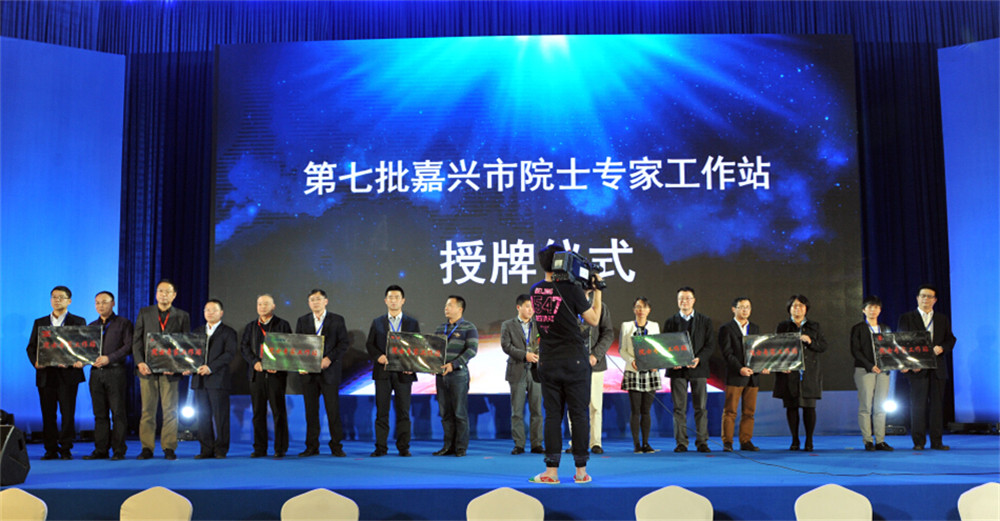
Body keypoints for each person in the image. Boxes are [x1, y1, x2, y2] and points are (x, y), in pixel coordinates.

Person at [529, 245, 602, 484]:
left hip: (548, 361)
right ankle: (581, 472)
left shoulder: (535, 290)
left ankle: (551, 472)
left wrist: (582, 292)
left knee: (552, 416)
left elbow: (558, 309)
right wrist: (597, 291)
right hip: (574, 361)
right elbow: (593, 319)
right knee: (579, 415)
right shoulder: (572, 289)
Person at [26, 285, 87, 460]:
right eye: (54, 297)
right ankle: (50, 449)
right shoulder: (40, 322)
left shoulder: (78, 321)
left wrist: (81, 361)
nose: (57, 300)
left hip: (69, 375)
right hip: (46, 375)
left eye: (61, 297)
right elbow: (31, 347)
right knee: (48, 413)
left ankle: (66, 448)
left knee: (68, 413)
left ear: (69, 301)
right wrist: (36, 362)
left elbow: (83, 347)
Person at [133, 279, 191, 460]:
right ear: (156, 293)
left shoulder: (182, 315)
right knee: (147, 411)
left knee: (171, 410)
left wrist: (177, 366)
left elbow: (185, 344)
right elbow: (137, 340)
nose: (163, 295)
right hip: (147, 370)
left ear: (174, 295)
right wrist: (140, 362)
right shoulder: (145, 312)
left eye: (167, 292)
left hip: (170, 372)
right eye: (160, 291)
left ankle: (169, 447)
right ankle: (147, 448)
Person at [897, 284, 957, 451]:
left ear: (935, 300)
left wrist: (942, 347)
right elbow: (901, 342)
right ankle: (918, 442)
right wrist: (907, 364)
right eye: (923, 296)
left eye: (929, 296)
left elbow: (951, 339)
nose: (926, 299)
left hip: (937, 369)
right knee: (918, 406)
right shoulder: (907, 318)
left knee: (937, 406)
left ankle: (937, 442)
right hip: (917, 369)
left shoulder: (941, 319)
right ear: (917, 298)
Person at [365, 285, 420, 457]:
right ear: (385, 300)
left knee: (403, 412)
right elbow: (370, 344)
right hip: (383, 372)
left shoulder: (412, 323)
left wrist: (411, 365)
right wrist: (378, 356)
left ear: (403, 301)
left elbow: (417, 347)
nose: (393, 300)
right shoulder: (377, 322)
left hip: (404, 373)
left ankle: (404, 447)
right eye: (390, 297)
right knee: (382, 411)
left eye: (397, 297)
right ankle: (381, 447)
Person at [295, 289, 350, 457]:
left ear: (326, 301)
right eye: (312, 299)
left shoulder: (337, 320)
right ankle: (312, 446)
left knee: (333, 411)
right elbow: (298, 344)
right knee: (311, 412)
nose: (315, 302)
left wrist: (329, 359)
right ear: (308, 303)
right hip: (309, 374)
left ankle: (336, 446)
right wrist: (301, 364)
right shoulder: (302, 320)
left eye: (318, 299)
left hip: (329, 372)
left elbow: (343, 343)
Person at [662, 286, 716, 453]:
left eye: (687, 298)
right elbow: (665, 345)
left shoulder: (705, 321)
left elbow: (710, 345)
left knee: (701, 407)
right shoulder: (670, 322)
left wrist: (699, 359)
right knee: (679, 408)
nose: (684, 301)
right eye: (681, 298)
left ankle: (702, 442)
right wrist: (672, 360)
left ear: (694, 300)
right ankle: (681, 443)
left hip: (698, 369)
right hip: (677, 370)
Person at [240, 294, 293, 458]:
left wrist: (278, 364)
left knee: (278, 412)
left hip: (276, 376)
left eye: (266, 304)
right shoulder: (251, 327)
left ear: (273, 306)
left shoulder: (282, 325)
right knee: (258, 413)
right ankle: (259, 448)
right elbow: (244, 347)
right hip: (256, 375)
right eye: (259, 304)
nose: (262, 307)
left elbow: (290, 347)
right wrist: (254, 362)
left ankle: (280, 448)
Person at [773, 294, 827, 452]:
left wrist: (810, 341)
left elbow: (823, 346)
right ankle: (794, 440)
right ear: (789, 308)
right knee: (792, 407)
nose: (797, 308)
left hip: (809, 372)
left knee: (809, 407)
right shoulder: (782, 326)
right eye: (794, 306)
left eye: (801, 306)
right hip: (789, 372)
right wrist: (781, 365)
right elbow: (775, 348)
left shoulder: (814, 326)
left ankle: (809, 440)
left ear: (806, 309)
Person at [83, 291, 132, 461]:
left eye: (104, 302)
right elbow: (85, 349)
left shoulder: (124, 323)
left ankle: (119, 450)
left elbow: (128, 347)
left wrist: (109, 358)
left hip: (115, 371)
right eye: (97, 302)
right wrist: (82, 360)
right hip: (96, 373)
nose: (100, 306)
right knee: (99, 414)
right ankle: (100, 449)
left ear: (113, 303)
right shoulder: (91, 326)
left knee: (118, 413)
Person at [191, 299, 238, 459]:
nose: (210, 313)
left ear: (221, 313)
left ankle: (221, 449)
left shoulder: (228, 332)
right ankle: (206, 449)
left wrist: (210, 367)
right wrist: (188, 366)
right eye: (207, 310)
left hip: (218, 380)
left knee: (220, 417)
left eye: (213, 310)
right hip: (199, 381)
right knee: (202, 416)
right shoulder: (197, 332)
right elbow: (190, 354)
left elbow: (229, 354)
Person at [432, 295, 478, 457]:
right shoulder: (440, 328)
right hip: (441, 375)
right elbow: (433, 351)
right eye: (446, 305)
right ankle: (447, 446)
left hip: (458, 374)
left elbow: (472, 350)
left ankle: (460, 447)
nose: (446, 308)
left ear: (460, 309)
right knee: (445, 413)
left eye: (450, 305)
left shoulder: (468, 327)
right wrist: (432, 365)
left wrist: (454, 364)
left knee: (459, 412)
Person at [718, 297, 765, 452]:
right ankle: (727, 442)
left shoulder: (755, 328)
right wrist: (740, 368)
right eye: (741, 307)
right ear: (734, 309)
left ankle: (746, 441)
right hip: (735, 375)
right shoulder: (726, 328)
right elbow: (727, 353)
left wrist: (763, 366)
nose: (745, 310)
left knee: (749, 412)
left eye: (748, 307)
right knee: (730, 411)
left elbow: (759, 351)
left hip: (753, 376)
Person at [500, 294, 543, 455]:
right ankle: (519, 444)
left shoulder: (539, 324)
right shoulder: (508, 325)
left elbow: (546, 343)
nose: (531, 310)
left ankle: (537, 444)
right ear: (519, 307)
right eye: (527, 306)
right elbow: (506, 346)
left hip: (536, 371)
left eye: (533, 307)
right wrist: (525, 355)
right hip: (517, 369)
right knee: (517, 411)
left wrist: (539, 356)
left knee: (536, 410)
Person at [850, 295, 894, 452]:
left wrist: (890, 364)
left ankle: (880, 441)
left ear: (880, 310)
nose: (873, 310)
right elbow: (855, 351)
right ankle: (868, 440)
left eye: (876, 307)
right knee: (865, 406)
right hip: (865, 370)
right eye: (870, 307)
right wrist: (870, 365)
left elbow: (891, 349)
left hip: (883, 371)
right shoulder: (858, 328)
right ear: (864, 310)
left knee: (881, 407)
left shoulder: (885, 328)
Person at [619, 297, 661, 454]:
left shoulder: (654, 326)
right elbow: (622, 350)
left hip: (650, 372)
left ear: (649, 310)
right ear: (633, 309)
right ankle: (636, 444)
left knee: (646, 410)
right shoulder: (627, 326)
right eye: (638, 307)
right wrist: (631, 360)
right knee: (635, 409)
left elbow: (658, 348)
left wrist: (655, 363)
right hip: (633, 371)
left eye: (644, 307)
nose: (641, 310)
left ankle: (646, 443)